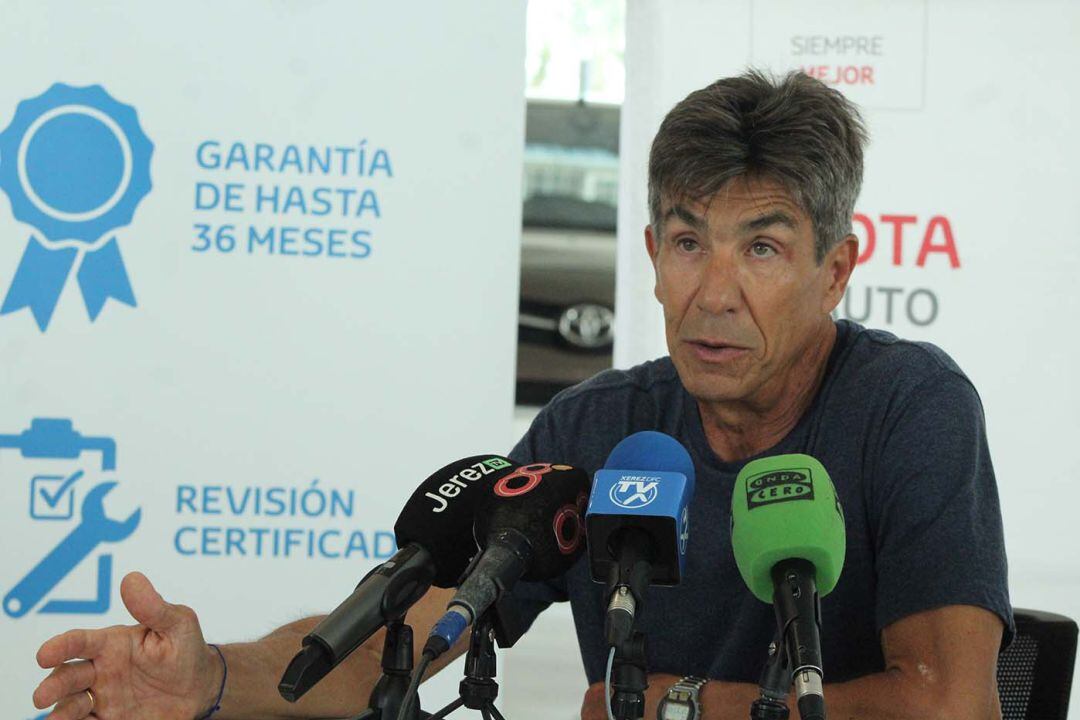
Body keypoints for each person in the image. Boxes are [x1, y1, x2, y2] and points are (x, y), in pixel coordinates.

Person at [31, 70, 1011, 720]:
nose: (713, 292)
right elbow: (408, 636)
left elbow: (950, 702)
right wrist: (210, 682)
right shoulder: (594, 430)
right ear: (652, 261)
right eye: (685, 242)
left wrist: (664, 704)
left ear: (836, 270)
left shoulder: (908, 407)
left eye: (761, 247)